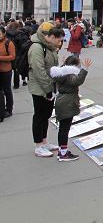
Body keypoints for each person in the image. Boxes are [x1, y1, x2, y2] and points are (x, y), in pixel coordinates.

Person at [29, 23, 65, 157]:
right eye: (59, 40)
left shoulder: (50, 48)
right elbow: (39, 70)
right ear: (50, 36)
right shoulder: (37, 47)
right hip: (40, 88)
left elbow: (53, 68)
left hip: (50, 86)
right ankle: (38, 145)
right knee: (39, 115)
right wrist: (47, 89)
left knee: (46, 115)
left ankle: (44, 141)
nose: (60, 43)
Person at [50, 56, 92, 161]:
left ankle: (62, 150)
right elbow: (77, 81)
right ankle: (63, 154)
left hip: (62, 101)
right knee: (65, 129)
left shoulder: (61, 73)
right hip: (67, 103)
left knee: (63, 128)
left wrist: (62, 64)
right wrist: (84, 69)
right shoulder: (70, 74)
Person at [0, 26, 16, 118]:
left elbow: (12, 56)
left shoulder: (8, 43)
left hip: (6, 70)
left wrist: (1, 58)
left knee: (7, 90)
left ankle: (9, 109)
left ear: (4, 34)